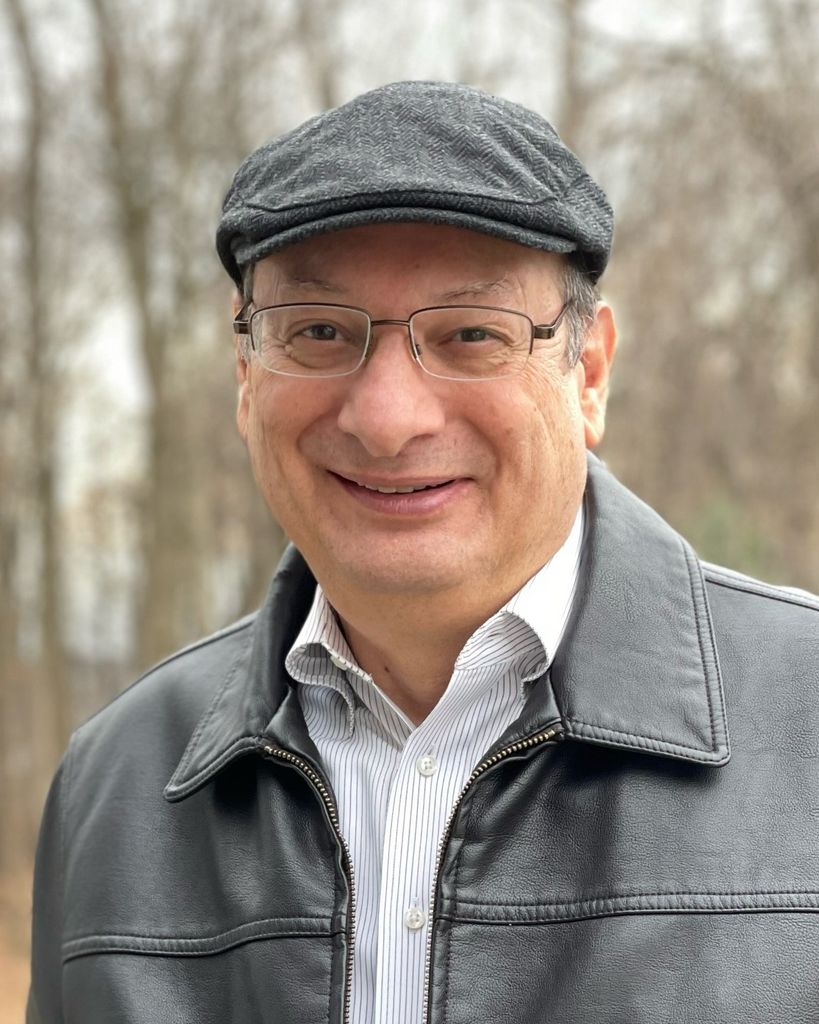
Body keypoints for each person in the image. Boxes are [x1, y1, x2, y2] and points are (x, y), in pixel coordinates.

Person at [28, 81, 819, 1024]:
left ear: (589, 375)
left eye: (471, 334)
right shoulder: (115, 787)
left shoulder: (803, 724)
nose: (387, 419)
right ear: (245, 376)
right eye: (318, 331)